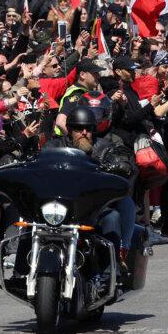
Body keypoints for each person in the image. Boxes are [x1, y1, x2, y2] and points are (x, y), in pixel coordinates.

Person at [45, 106, 137, 257]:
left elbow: (122, 159)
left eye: (88, 129)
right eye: (78, 129)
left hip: (93, 207)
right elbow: (40, 163)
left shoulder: (105, 148)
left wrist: (121, 165)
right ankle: (21, 267)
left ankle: (115, 259)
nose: (84, 132)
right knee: (31, 223)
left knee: (113, 216)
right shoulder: (54, 146)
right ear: (69, 130)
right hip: (60, 206)